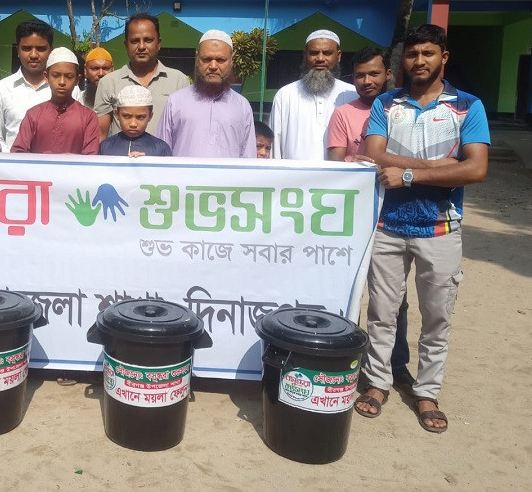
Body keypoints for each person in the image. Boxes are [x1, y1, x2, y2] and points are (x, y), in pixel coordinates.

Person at [354, 24, 489, 434]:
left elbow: (476, 169)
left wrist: (410, 173)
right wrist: (442, 167)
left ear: (442, 57)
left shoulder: (467, 106)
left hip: (440, 228)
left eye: (428, 53)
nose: (419, 61)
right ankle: (377, 383)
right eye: (412, 54)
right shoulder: (386, 104)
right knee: (381, 313)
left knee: (437, 317)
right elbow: (373, 156)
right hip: (387, 225)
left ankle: (427, 392)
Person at [325, 47, 412, 387]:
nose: (367, 81)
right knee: (350, 291)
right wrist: (354, 162)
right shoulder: (343, 114)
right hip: (356, 220)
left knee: (393, 297)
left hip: (396, 214)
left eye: (374, 73)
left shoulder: (402, 110)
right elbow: (334, 163)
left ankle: (396, 364)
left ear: (388, 74)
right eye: (360, 75)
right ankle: (347, 357)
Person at [157, 30, 256, 158]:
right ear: (197, 58)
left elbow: (248, 158)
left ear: (232, 60)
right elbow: (161, 153)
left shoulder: (242, 106)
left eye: (220, 60)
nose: (213, 66)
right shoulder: (176, 102)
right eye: (206, 59)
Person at [94, 13, 190, 139]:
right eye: (134, 41)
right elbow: (101, 134)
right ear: (126, 45)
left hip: (165, 152)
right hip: (122, 152)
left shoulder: (179, 81)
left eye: (148, 40)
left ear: (159, 43)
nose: (141, 46)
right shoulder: (108, 83)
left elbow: (185, 131)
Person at [0, 20, 81, 152]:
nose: (33, 55)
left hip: (60, 164)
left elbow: (77, 134)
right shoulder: (2, 89)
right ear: (18, 51)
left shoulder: (71, 90)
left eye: (41, 48)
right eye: (26, 48)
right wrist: (14, 159)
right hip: (14, 163)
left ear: (51, 51)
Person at [268, 29, 357, 159]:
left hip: (339, 172)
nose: (320, 58)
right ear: (305, 55)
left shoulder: (352, 94)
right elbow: (274, 144)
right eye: (314, 53)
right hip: (294, 172)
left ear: (338, 56)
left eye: (327, 53)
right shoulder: (285, 95)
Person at [11, 47, 99, 155]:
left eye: (69, 76)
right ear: (46, 77)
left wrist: (67, 159)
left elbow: (91, 157)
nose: (62, 82)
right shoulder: (33, 115)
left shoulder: (88, 117)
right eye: (56, 75)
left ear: (77, 79)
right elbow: (18, 153)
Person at [99, 86, 172, 157]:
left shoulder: (161, 149)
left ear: (150, 116)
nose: (133, 124)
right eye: (126, 116)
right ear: (117, 114)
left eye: (140, 117)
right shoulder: (105, 147)